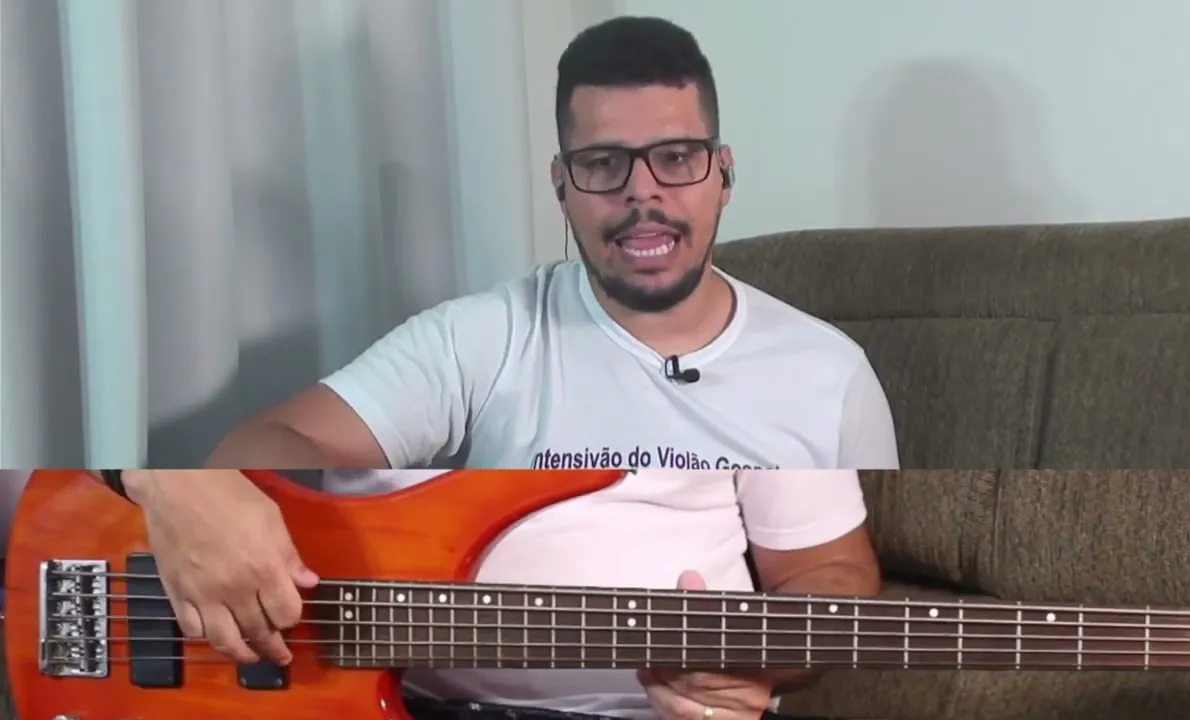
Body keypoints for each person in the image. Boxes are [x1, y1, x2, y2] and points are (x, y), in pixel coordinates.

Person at [111, 15, 895, 720]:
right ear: (561, 187)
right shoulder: (482, 336)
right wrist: (201, 489)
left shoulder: (821, 372)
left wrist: (754, 666)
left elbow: (828, 572)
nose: (642, 193)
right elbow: (285, 437)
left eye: (676, 158)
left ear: (723, 173)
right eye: (603, 164)